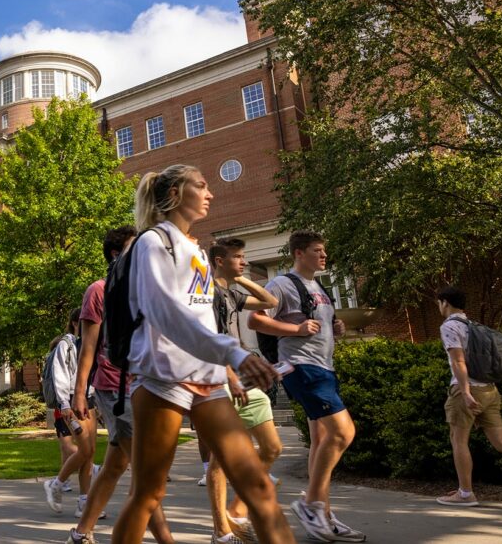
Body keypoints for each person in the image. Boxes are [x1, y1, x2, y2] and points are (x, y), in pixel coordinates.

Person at [111, 164, 292, 544]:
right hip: (163, 378)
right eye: (202, 185)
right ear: (176, 193)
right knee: (149, 494)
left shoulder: (195, 250)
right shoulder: (152, 242)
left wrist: (225, 366)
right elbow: (165, 313)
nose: (210, 194)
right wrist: (236, 355)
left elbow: (204, 320)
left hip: (207, 381)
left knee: (258, 487)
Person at [248, 230, 363, 542]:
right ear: (299, 253)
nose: (324, 255)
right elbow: (256, 320)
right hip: (302, 367)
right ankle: (311, 504)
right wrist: (294, 329)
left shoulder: (319, 287)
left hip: (324, 367)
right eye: (317, 250)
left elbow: (316, 322)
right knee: (343, 432)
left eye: (324, 250)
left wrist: (334, 326)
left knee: (322, 439)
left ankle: (322, 512)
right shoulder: (282, 284)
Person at [69, 225, 170, 544]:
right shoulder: (98, 291)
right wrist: (79, 392)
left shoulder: (141, 292)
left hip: (140, 387)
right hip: (113, 387)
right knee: (146, 474)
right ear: (116, 254)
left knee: (115, 466)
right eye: (134, 246)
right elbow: (88, 347)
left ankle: (80, 533)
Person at [207, 238, 283, 543]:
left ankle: (236, 510)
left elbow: (269, 302)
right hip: (219, 380)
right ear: (219, 260)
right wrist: (229, 377)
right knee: (219, 461)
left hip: (241, 379)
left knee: (271, 448)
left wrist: (240, 279)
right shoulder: (207, 294)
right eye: (238, 257)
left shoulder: (231, 292)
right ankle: (220, 532)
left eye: (244, 256)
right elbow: (210, 340)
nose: (245, 261)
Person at [436, 285, 502, 506]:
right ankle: (463, 491)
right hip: (490, 389)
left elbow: (458, 361)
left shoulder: (450, 326)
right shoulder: (472, 325)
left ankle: (465, 493)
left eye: (439, 303)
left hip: (466, 390)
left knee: (458, 440)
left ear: (445, 303)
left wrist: (467, 392)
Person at [43, 309, 98, 517]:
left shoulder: (90, 344)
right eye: (87, 322)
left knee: (90, 452)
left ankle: (84, 502)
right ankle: (56, 484)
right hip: (72, 401)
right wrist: (64, 404)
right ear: (76, 323)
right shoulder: (66, 345)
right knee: (84, 450)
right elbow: (59, 375)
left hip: (89, 399)